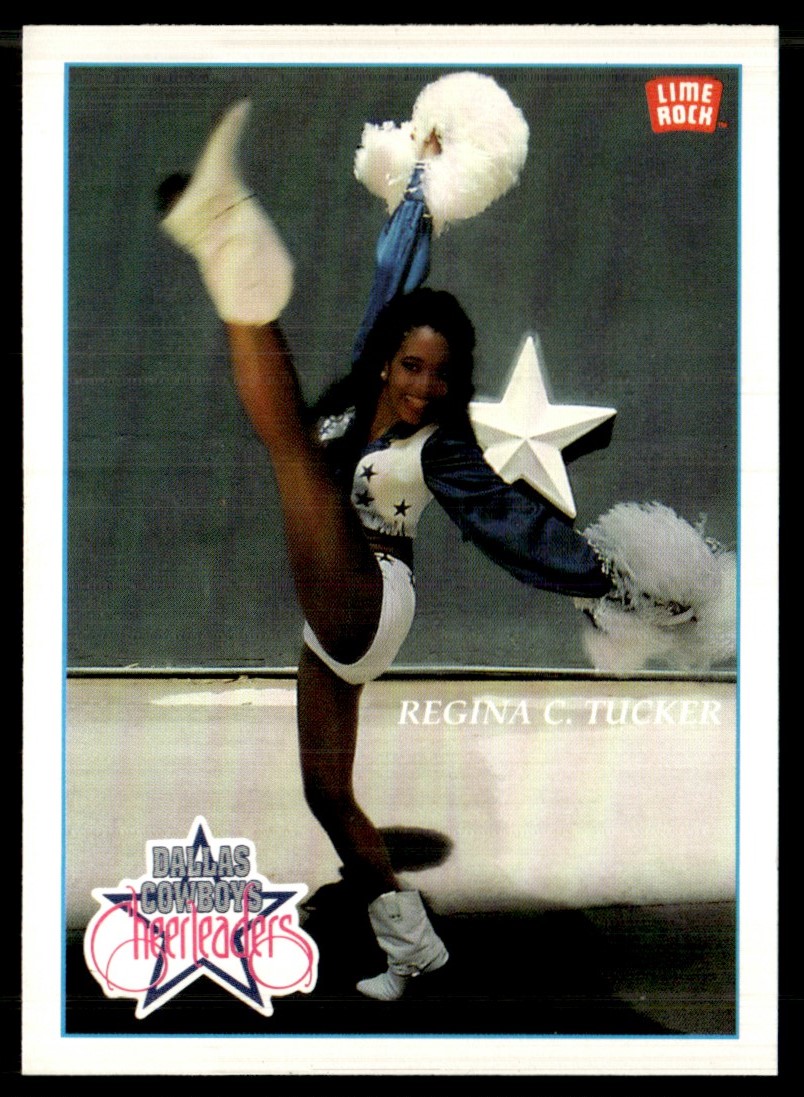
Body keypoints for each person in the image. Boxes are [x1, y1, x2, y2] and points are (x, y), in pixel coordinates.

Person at [160, 100, 613, 1002]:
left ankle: (224, 233)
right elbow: (395, 275)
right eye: (412, 366)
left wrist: (608, 575)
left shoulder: (440, 447)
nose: (424, 386)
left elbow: (511, 524)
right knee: (326, 794)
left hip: (374, 592)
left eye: (442, 375)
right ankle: (415, 950)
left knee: (293, 451)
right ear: (388, 362)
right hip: (329, 608)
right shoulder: (355, 390)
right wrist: (419, 185)